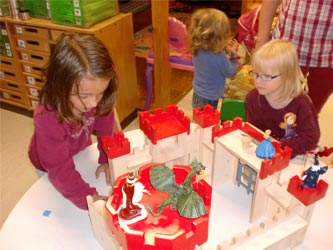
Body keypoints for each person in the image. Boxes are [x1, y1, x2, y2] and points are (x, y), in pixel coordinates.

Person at [28, 33, 118, 210]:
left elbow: (106, 128)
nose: (93, 103)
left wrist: (106, 158)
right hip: (48, 165)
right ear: (60, 87)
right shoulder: (47, 117)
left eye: (100, 93)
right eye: (84, 96)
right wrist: (88, 197)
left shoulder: (94, 86)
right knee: (60, 205)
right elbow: (59, 170)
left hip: (80, 149)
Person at [246, 39, 320, 159]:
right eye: (255, 73)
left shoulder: (301, 104)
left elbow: (310, 138)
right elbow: (255, 132)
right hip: (266, 154)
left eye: (267, 76)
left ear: (287, 75)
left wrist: (276, 147)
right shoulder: (253, 98)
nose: (258, 80)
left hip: (296, 156)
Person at [256, 0, 333, 114]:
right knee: (269, 111)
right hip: (284, 48)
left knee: (308, 114)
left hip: (327, 56)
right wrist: (261, 42)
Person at [188, 8, 241, 110]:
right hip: (210, 97)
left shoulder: (197, 48)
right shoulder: (219, 56)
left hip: (197, 93)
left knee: (200, 119)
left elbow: (210, 56)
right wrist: (233, 57)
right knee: (208, 122)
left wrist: (226, 48)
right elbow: (229, 72)